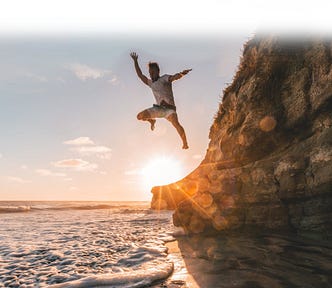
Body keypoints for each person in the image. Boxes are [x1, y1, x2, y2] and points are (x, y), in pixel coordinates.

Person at [130, 52, 191, 149]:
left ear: (158, 71)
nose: (151, 74)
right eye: (150, 73)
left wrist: (181, 74)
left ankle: (185, 143)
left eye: (153, 72)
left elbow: (173, 77)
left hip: (170, 109)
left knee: (176, 124)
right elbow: (140, 75)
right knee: (139, 116)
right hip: (158, 109)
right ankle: (152, 121)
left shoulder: (164, 78)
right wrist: (135, 61)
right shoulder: (151, 83)